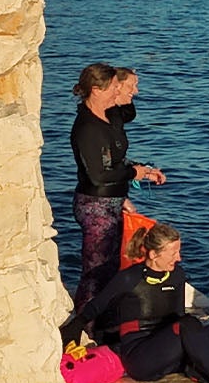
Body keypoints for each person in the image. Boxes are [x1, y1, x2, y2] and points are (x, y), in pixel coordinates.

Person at [63, 221, 209, 383]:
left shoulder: (177, 275)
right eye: (173, 253)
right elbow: (96, 307)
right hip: (141, 357)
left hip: (169, 351)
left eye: (179, 252)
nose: (178, 258)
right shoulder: (129, 278)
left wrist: (197, 345)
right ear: (153, 254)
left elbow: (178, 317)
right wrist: (73, 330)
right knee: (189, 323)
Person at [69, 62, 166, 308]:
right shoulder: (88, 127)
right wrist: (135, 172)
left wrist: (141, 173)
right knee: (96, 270)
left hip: (111, 201)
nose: (118, 90)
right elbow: (99, 175)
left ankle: (105, 321)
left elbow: (114, 161)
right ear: (96, 90)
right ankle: (84, 328)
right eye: (114, 86)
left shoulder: (107, 117)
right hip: (95, 206)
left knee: (112, 266)